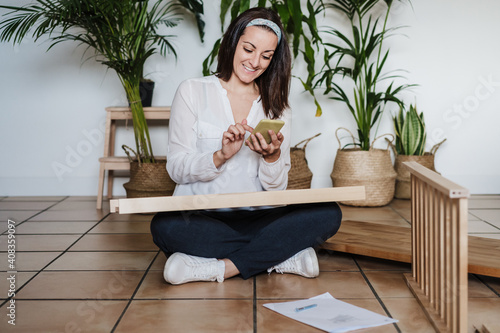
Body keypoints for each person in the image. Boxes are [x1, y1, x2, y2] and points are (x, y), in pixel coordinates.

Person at [150, 7, 342, 285]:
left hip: (260, 215)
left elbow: (277, 189)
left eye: (266, 56)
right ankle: (280, 256)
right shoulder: (192, 90)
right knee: (165, 227)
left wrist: (272, 157)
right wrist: (219, 156)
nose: (255, 62)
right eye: (249, 49)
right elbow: (176, 169)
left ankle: (222, 267)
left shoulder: (278, 108)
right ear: (233, 43)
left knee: (328, 212)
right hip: (202, 215)